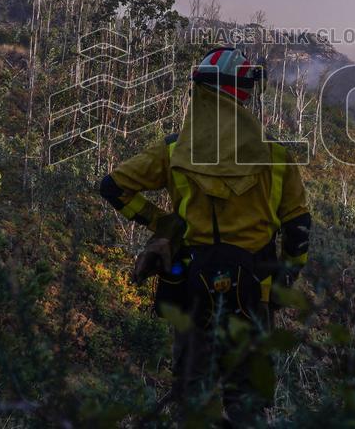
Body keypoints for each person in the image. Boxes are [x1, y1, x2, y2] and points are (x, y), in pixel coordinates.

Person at [99, 46, 311, 425]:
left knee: (191, 394)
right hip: (255, 291)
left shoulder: (172, 151)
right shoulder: (277, 158)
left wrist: (162, 223)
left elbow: (112, 187)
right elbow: (298, 227)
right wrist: (287, 277)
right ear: (240, 94)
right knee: (247, 400)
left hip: (192, 288)